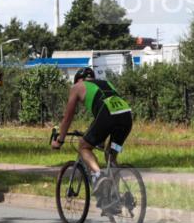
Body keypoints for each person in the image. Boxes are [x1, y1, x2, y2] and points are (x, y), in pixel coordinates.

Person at [51, 67, 133, 206]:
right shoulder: (106, 83)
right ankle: (115, 198)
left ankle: (99, 175)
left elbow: (68, 118)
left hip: (108, 116)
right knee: (111, 155)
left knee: (83, 147)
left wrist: (60, 140)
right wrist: (100, 139)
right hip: (126, 118)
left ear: (78, 80)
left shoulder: (77, 87)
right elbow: (107, 114)